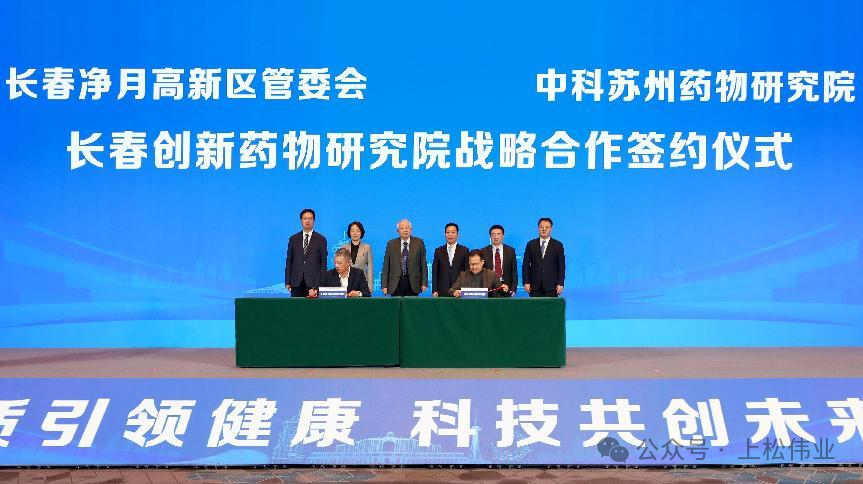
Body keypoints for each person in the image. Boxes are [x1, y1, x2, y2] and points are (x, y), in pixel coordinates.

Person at [284, 208, 328, 297]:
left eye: (310, 218)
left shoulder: (321, 239)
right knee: (296, 305)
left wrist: (321, 283)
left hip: (314, 282)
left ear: (314, 220)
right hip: (296, 281)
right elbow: (289, 261)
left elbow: (323, 263)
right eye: (305, 218)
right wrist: (287, 281)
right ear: (301, 220)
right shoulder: (293, 239)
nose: (307, 221)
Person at [381, 219, 428, 296]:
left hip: (413, 282)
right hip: (396, 283)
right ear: (397, 231)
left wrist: (424, 283)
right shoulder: (391, 244)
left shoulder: (419, 243)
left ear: (411, 230)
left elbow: (423, 264)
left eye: (407, 228)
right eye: (402, 228)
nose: (405, 230)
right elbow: (386, 266)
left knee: (412, 304)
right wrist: (384, 285)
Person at [522, 217, 565, 297]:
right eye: (541, 227)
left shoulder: (558, 245)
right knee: (535, 305)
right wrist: (526, 282)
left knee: (551, 305)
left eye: (547, 227)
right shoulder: (531, 244)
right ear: (538, 228)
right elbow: (525, 265)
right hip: (534, 286)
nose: (544, 229)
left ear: (551, 229)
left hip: (552, 286)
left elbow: (561, 266)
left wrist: (560, 283)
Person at [431, 223, 468, 297]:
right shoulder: (438, 251)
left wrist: (464, 289)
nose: (450, 235)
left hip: (458, 290)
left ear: (457, 234)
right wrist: (434, 290)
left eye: (453, 232)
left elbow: (466, 272)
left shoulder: (464, 250)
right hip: (442, 290)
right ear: (445, 234)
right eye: (448, 232)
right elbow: (435, 272)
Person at [480, 224, 518, 297]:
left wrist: (513, 288)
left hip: (506, 287)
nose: (496, 237)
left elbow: (514, 271)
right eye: (493, 234)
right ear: (490, 236)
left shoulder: (510, 251)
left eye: (499, 234)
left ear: (503, 236)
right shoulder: (483, 251)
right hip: (489, 287)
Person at [341, 220, 374, 293]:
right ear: (349, 233)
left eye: (357, 231)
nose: (355, 233)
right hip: (347, 283)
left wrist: (370, 288)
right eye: (352, 231)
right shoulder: (344, 248)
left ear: (361, 232)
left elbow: (370, 269)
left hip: (362, 282)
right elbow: (341, 267)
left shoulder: (367, 248)